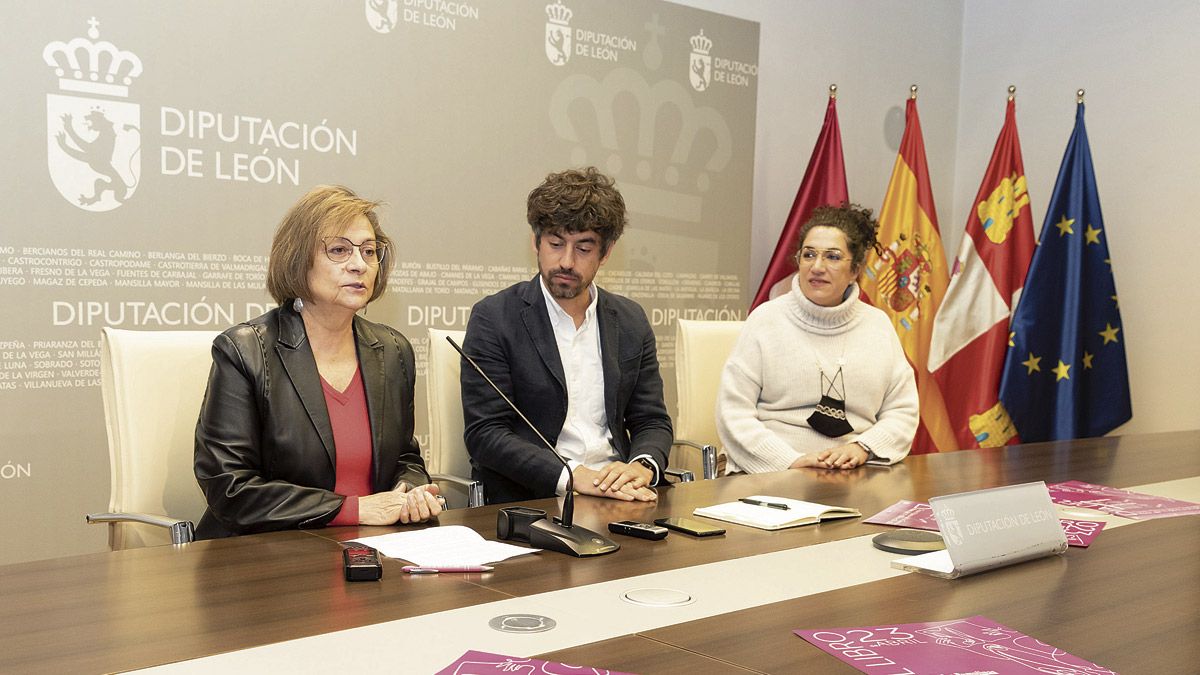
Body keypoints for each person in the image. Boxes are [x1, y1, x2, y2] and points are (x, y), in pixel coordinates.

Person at [193, 185, 441, 538]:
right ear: (299, 259)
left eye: (369, 251)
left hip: (370, 547)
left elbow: (405, 456)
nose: (359, 264)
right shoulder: (245, 351)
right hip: (266, 556)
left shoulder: (393, 349)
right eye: (339, 250)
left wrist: (410, 490)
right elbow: (230, 488)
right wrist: (354, 508)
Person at [461, 167, 672, 504]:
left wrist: (642, 465)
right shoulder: (495, 317)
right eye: (555, 244)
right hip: (535, 498)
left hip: (620, 494)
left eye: (584, 249)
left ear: (606, 252)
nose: (566, 262)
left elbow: (651, 419)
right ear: (535, 242)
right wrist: (571, 475)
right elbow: (486, 433)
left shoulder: (630, 320)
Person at [717, 204, 918, 473]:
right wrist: (790, 460)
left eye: (833, 257)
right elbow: (733, 412)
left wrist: (862, 447)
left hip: (856, 474)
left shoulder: (878, 325)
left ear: (855, 270)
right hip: (774, 474)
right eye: (809, 255)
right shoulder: (765, 320)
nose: (817, 267)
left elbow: (902, 411)